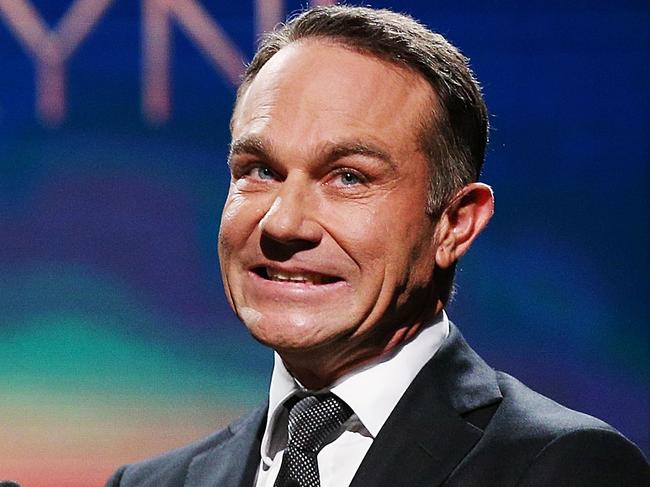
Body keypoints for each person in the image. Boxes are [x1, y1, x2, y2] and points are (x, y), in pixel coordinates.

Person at [106, 5, 650, 487]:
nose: (283, 222)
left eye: (348, 177)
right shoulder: (152, 482)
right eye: (260, 171)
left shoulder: (561, 467)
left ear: (455, 224)